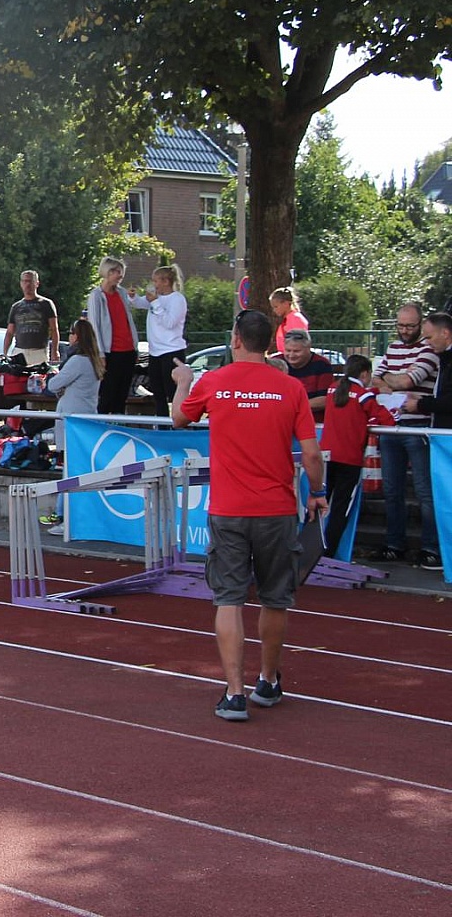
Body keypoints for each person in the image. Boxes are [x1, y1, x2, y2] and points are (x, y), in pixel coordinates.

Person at [171, 309, 327, 722]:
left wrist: (183, 382)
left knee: (229, 599)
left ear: (236, 339)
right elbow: (311, 453)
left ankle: (234, 693)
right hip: (276, 510)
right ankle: (268, 681)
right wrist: (319, 492)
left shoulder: (214, 382)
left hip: (229, 509)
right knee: (276, 598)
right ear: (269, 343)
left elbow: (178, 418)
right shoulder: (290, 387)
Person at [371, 302, 440, 566]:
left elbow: (407, 381)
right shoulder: (392, 347)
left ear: (420, 325)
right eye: (400, 325)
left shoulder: (428, 349)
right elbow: (375, 380)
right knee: (391, 489)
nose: (404, 331)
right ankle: (393, 542)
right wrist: (391, 378)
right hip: (391, 424)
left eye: (410, 326)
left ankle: (431, 546)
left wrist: (388, 378)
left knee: (424, 490)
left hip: (417, 425)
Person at [320, 355, 395, 555]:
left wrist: (376, 390)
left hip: (326, 456)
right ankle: (329, 553)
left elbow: (352, 398)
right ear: (365, 374)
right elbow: (386, 419)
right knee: (340, 508)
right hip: (349, 459)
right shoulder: (363, 396)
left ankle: (311, 548)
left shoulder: (332, 389)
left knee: (319, 503)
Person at [399, 310, 452, 574]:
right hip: (440, 433)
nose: (427, 344)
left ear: (445, 333)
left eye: (430, 338)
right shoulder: (443, 358)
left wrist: (420, 404)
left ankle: (439, 551)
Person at [39, 319, 104, 527]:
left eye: (72, 333)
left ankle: (63, 515)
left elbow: (55, 383)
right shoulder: (95, 360)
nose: (70, 337)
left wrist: (54, 380)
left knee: (70, 468)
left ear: (78, 337)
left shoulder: (77, 361)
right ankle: (64, 513)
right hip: (86, 416)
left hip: (72, 420)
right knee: (78, 467)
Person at [128, 264, 188, 416]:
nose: (153, 285)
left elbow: (170, 323)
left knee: (172, 391)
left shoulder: (177, 299)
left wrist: (155, 303)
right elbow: (140, 303)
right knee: (158, 392)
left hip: (171, 351)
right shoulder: (157, 299)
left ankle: (177, 422)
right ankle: (162, 423)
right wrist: (133, 297)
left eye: (156, 281)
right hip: (155, 352)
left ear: (166, 282)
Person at [86, 256, 138, 415]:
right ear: (107, 272)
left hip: (128, 349)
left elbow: (127, 319)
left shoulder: (122, 293)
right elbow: (94, 325)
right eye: (115, 271)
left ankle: (119, 425)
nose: (119, 274)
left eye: (121, 271)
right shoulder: (97, 295)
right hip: (110, 351)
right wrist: (100, 353)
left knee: (122, 395)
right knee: (107, 394)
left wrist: (135, 346)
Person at [271, 328, 334, 418]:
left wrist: (292, 407)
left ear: (308, 348)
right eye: (288, 350)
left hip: (312, 419)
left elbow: (325, 399)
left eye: (296, 351)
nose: (291, 355)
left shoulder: (321, 364)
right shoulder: (276, 362)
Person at [3, 270, 60, 367]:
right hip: (19, 351)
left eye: (30, 281)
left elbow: (54, 329)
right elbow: (9, 332)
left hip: (39, 351)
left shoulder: (46, 304)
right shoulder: (16, 307)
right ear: (21, 284)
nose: (27, 284)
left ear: (36, 283)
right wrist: (5, 353)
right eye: (24, 281)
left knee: (39, 380)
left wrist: (55, 351)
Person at [268, 287, 310, 353]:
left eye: (276, 306)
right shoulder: (288, 319)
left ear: (286, 304)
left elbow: (297, 344)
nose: (274, 310)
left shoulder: (295, 319)